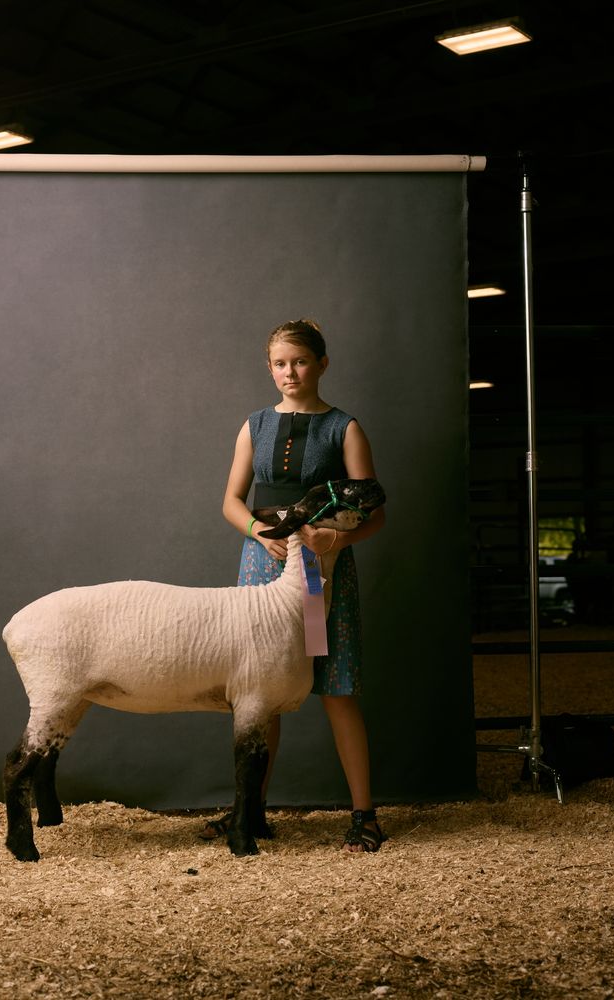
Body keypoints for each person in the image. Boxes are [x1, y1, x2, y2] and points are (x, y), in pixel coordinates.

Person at [199, 317, 386, 852]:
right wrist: (260, 532)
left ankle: (364, 815)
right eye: (280, 363)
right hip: (264, 567)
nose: (290, 372)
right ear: (269, 367)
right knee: (260, 691)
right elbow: (231, 501)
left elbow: (373, 513)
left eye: (300, 361)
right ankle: (250, 810)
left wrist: (335, 542)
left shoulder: (344, 427)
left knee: (336, 685)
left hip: (319, 569)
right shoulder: (254, 425)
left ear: (322, 364)